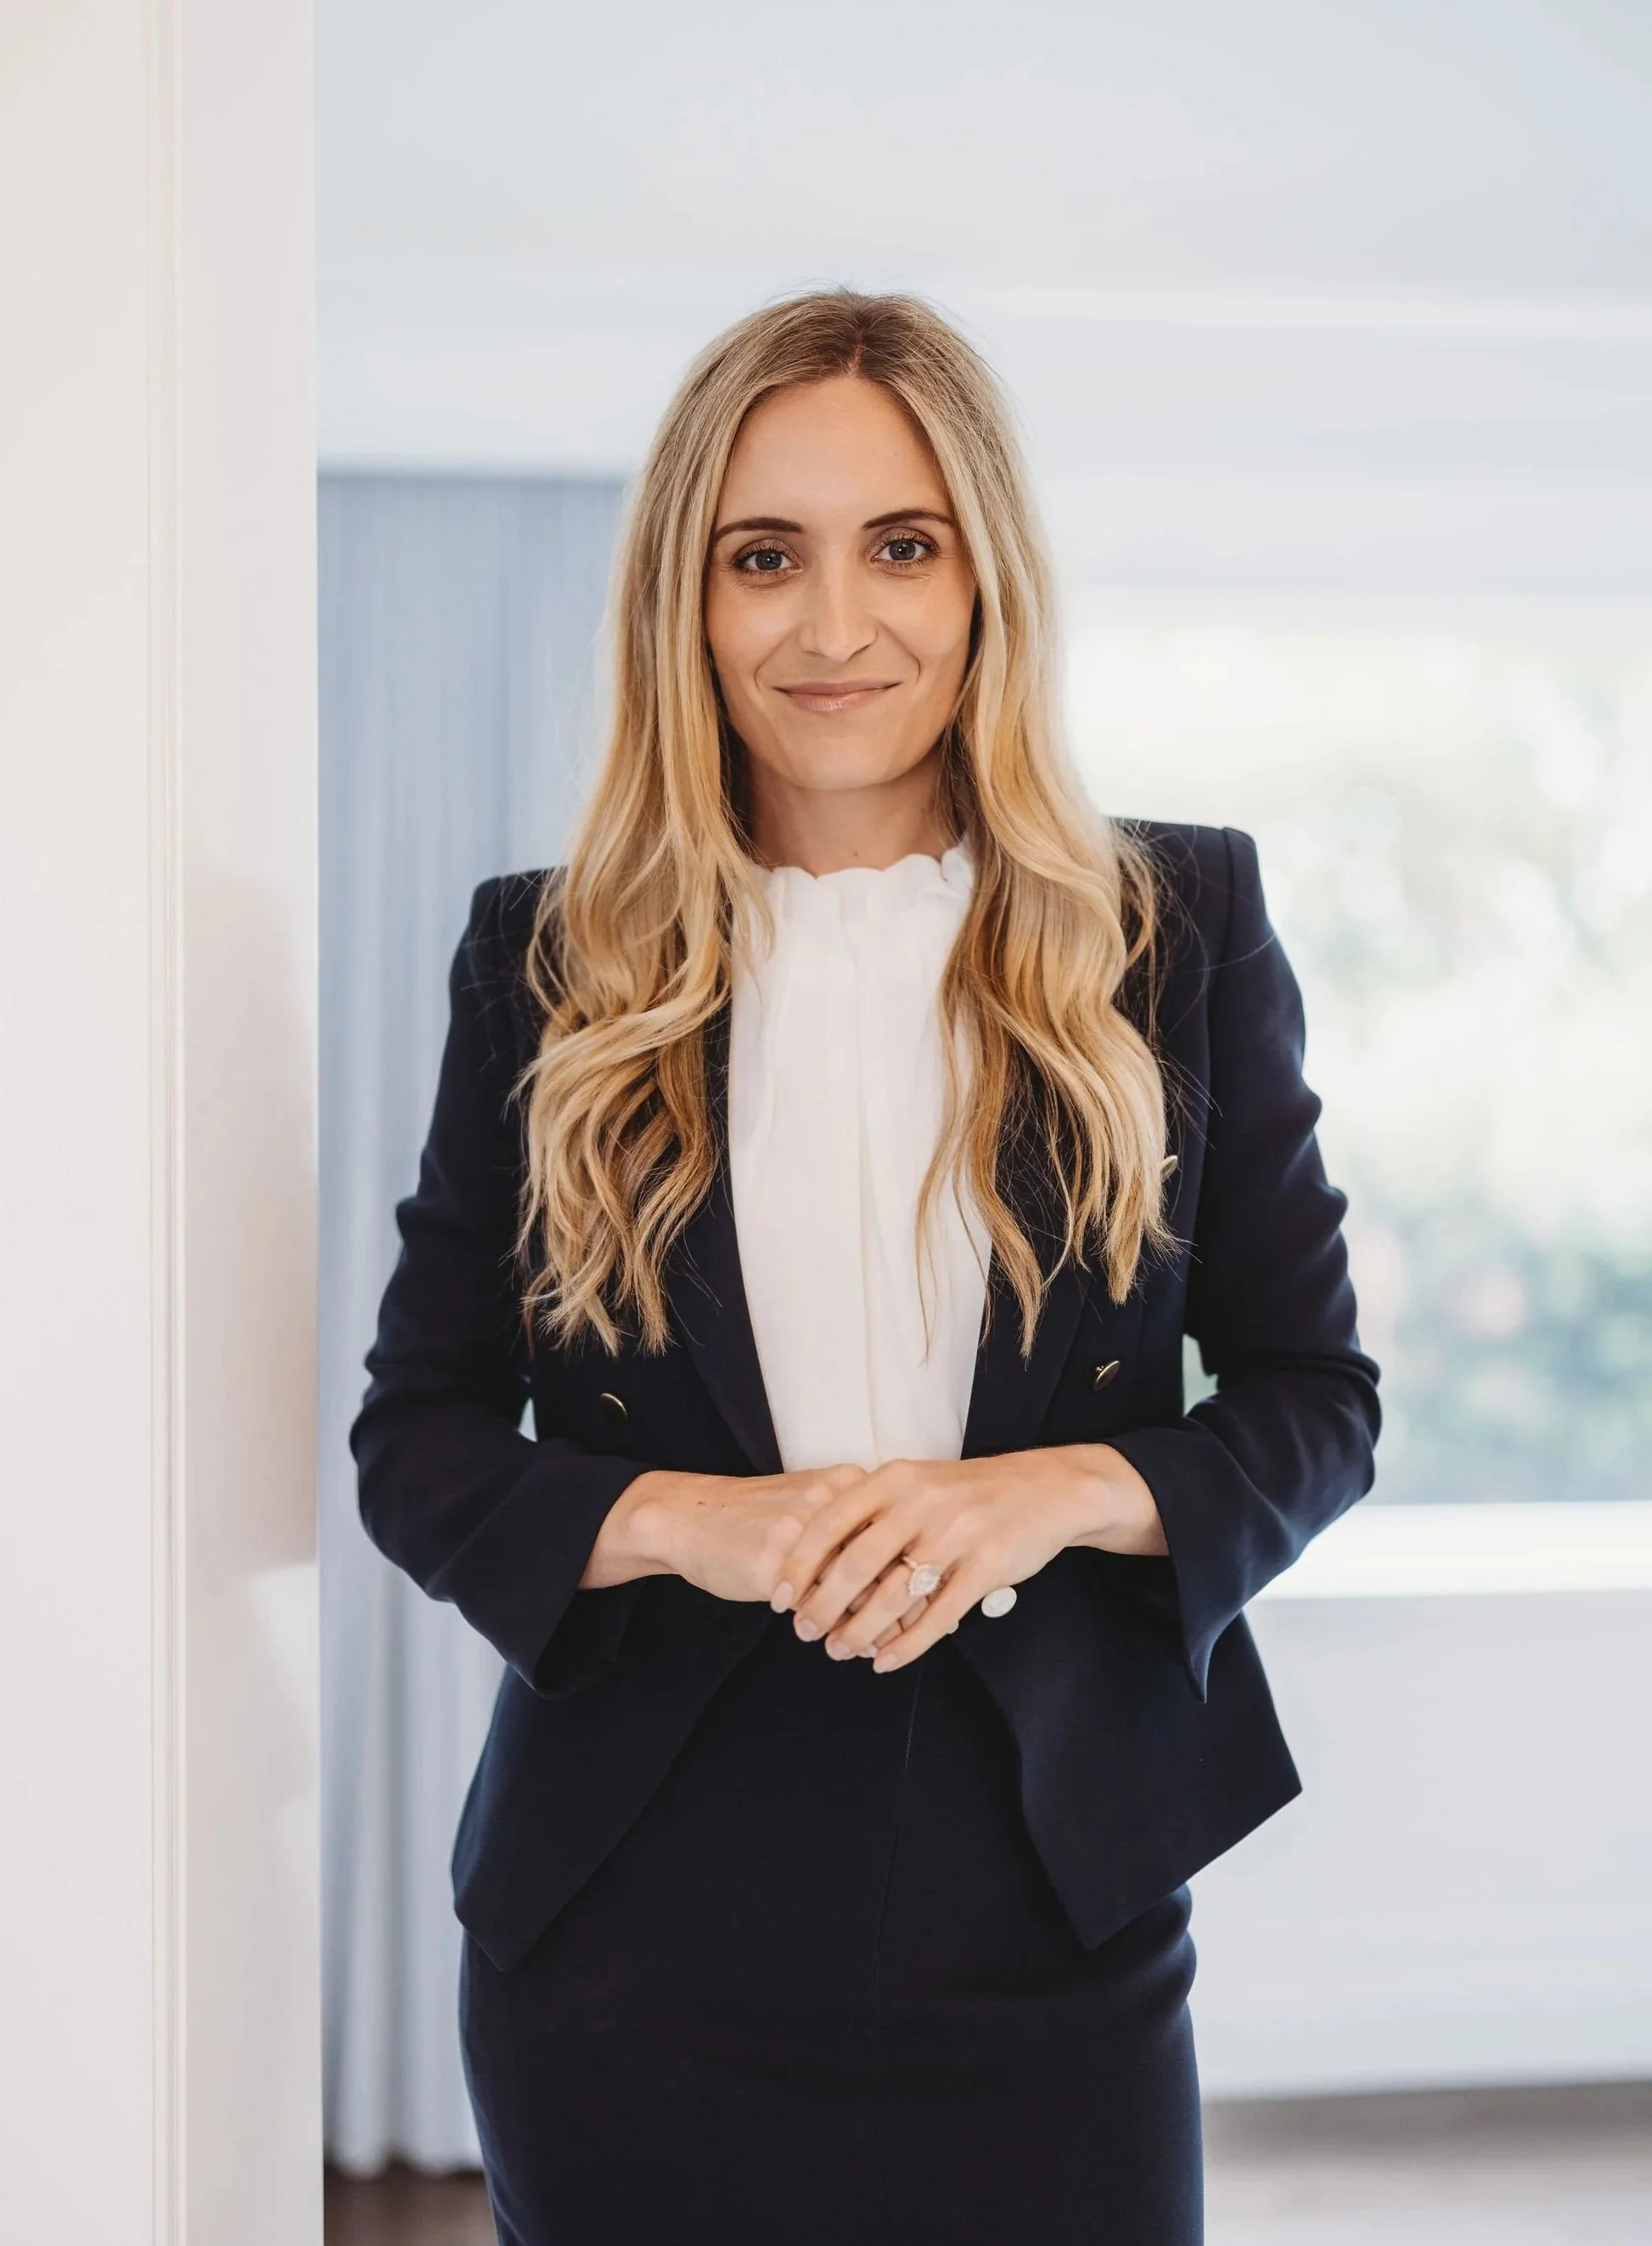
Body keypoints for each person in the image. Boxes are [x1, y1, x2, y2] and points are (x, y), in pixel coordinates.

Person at [352, 290, 1379, 2246]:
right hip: (625, 1940)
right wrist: (698, 1525)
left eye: (899, 545)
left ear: (986, 575)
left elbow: (1315, 1400)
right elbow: (418, 1433)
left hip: (1052, 1918)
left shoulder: (1179, 924)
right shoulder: (548, 960)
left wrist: (1039, 1495)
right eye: (765, 557)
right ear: (689, 598)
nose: (835, 628)